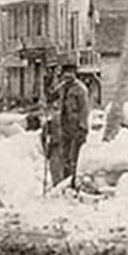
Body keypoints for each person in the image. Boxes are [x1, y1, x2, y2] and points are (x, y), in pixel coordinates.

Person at [54, 60, 90, 190]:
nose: (67, 75)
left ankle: (75, 184)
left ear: (75, 73)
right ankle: (66, 183)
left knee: (75, 157)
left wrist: (82, 127)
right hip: (65, 126)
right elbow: (53, 97)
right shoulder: (62, 87)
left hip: (77, 127)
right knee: (65, 157)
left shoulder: (80, 89)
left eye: (70, 72)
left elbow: (84, 109)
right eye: (65, 73)